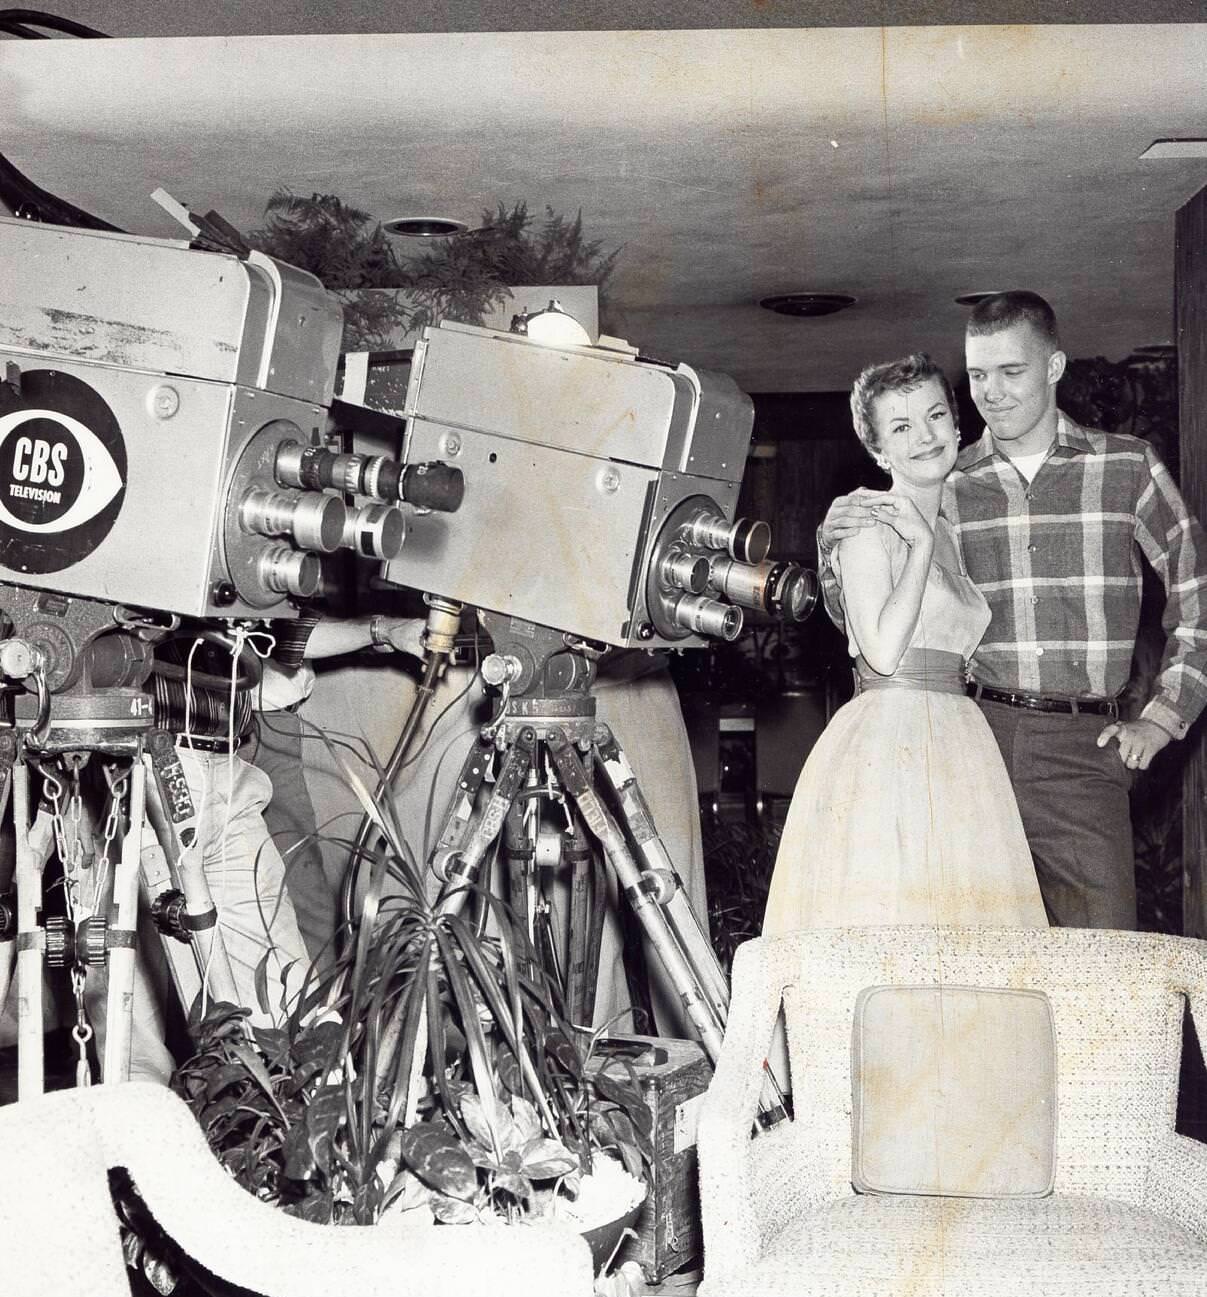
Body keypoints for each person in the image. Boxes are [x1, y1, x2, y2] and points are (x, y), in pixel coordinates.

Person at [821, 291, 1207, 929]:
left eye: (1011, 371)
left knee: (1103, 953)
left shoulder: (1128, 466)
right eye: (977, 375)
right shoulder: (943, 478)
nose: (992, 393)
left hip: (1085, 752)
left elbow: (1197, 591)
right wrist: (831, 542)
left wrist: (1164, 718)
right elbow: (872, 623)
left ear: (1054, 367)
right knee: (971, 959)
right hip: (970, 741)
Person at [762, 353, 1047, 934]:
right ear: (878, 451)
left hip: (962, 742)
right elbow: (883, 651)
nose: (924, 436)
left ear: (958, 427)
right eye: (900, 427)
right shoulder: (865, 526)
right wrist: (917, 549)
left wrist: (927, 538)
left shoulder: (950, 527)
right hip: (893, 739)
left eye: (936, 416)